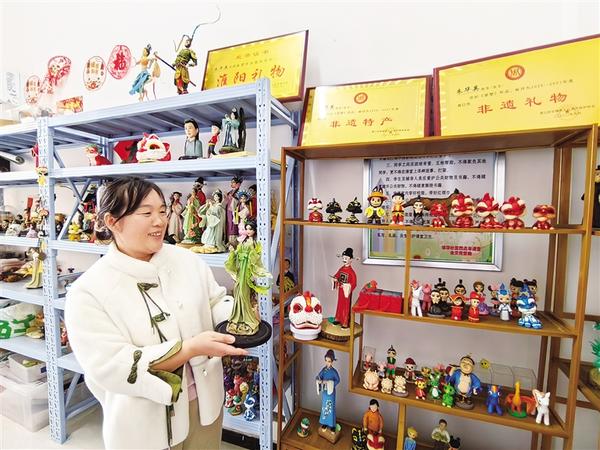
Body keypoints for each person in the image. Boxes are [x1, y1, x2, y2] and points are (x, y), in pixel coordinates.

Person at [65, 177, 247, 450]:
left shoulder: (187, 260)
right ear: (113, 221)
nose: (160, 221)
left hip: (204, 404)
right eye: (146, 213)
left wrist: (241, 317)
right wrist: (188, 349)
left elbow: (214, 302)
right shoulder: (88, 291)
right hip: (144, 421)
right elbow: (109, 365)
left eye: (162, 211)